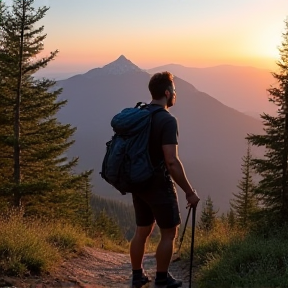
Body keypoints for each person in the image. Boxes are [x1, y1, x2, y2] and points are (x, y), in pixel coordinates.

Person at [130, 71, 200, 288]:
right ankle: (161, 279)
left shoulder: (139, 114)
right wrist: (189, 191)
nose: (175, 94)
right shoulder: (167, 120)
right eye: (174, 90)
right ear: (167, 93)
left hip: (138, 182)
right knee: (169, 232)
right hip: (158, 184)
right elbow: (171, 162)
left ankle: (137, 276)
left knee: (142, 230)